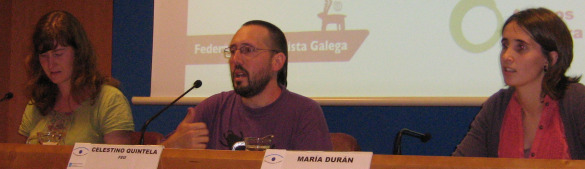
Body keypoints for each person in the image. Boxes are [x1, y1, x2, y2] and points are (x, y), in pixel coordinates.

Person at [162, 20, 333, 150]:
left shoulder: (304, 113)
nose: (235, 59)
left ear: (277, 61)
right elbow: (151, 161)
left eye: (247, 50)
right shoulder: (214, 108)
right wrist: (172, 147)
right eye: (233, 51)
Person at [453, 8, 585, 159]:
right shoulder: (497, 106)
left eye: (521, 47)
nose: (506, 56)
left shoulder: (576, 100)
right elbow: (461, 163)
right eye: (505, 45)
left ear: (550, 59)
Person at [19, 10, 134, 145]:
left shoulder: (109, 100)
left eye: (58, 54)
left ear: (78, 52)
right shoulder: (38, 102)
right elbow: (19, 159)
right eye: (44, 56)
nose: (50, 64)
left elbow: (118, 163)